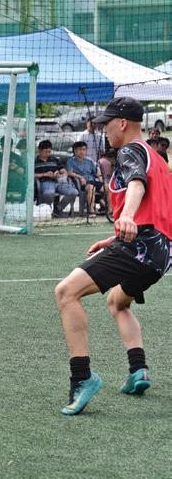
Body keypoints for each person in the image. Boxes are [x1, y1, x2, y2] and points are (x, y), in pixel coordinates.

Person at [54, 96, 172, 415]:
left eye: (106, 124)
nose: (104, 130)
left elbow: (136, 184)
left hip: (139, 245)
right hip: (160, 253)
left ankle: (82, 378)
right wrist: (116, 236)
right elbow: (157, 209)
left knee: (66, 293)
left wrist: (128, 217)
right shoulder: (158, 158)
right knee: (117, 302)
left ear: (122, 123)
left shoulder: (130, 150)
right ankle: (138, 369)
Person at [34, 140, 79, 217]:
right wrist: (45, 174)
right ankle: (48, 209)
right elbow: (32, 175)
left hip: (59, 182)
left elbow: (64, 171)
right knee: (49, 193)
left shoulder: (54, 159)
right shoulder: (35, 161)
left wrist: (60, 174)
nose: (48, 154)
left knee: (74, 192)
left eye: (49, 152)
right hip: (45, 182)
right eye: (45, 152)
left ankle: (58, 208)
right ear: (40, 151)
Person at [66, 142, 103, 216]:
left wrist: (100, 177)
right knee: (91, 188)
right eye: (80, 149)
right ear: (75, 151)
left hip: (92, 180)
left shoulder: (89, 161)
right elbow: (69, 173)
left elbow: (96, 172)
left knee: (107, 187)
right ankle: (91, 211)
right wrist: (80, 177)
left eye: (84, 149)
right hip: (81, 183)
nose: (82, 151)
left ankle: (110, 210)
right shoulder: (71, 161)